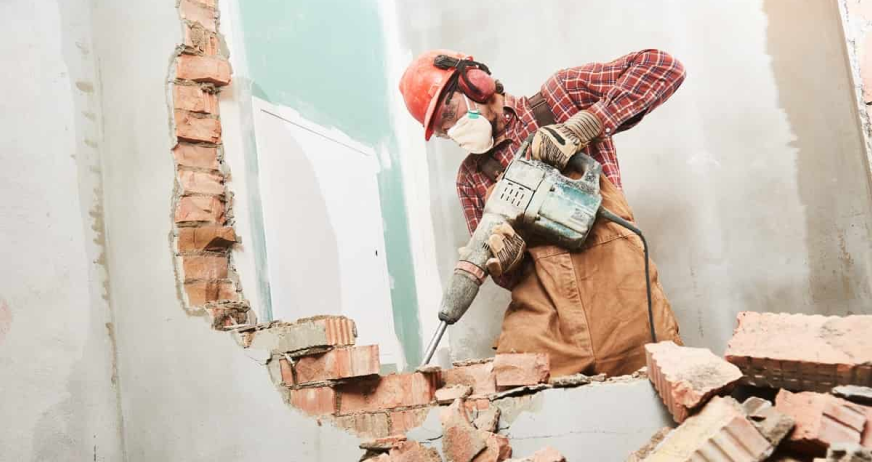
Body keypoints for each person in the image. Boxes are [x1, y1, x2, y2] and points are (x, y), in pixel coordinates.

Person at [398, 49, 685, 377]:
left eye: (448, 114)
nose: (452, 131)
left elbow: (663, 69)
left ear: (475, 83)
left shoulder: (560, 98)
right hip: (548, 322)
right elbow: (507, 277)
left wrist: (585, 125)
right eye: (441, 130)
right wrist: (509, 259)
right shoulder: (471, 177)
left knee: (661, 397)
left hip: (623, 301)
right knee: (522, 407)